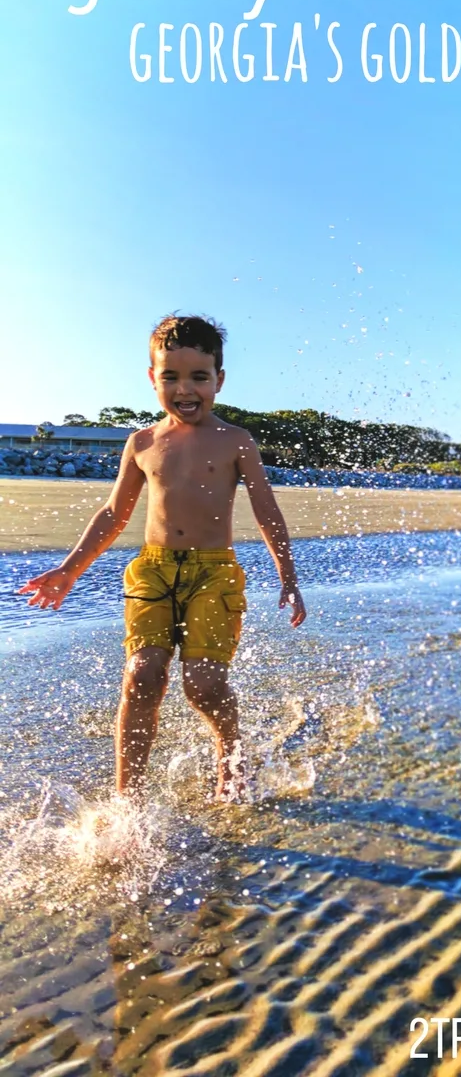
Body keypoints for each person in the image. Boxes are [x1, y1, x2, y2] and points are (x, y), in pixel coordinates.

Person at [18, 314, 306, 801]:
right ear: (152, 377)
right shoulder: (142, 443)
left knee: (203, 685)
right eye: (170, 376)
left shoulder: (236, 441)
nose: (184, 388)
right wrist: (69, 570)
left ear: (219, 379)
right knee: (142, 675)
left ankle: (232, 763)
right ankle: (127, 800)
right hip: (152, 570)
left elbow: (266, 509)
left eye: (198, 376)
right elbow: (113, 513)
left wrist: (288, 576)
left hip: (213, 574)